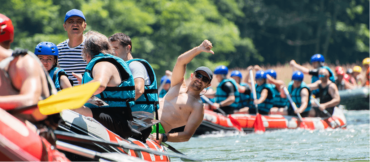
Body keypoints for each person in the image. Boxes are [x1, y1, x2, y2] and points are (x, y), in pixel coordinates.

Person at [0, 14, 68, 161]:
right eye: (42, 59)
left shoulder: (22, 63)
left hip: (34, 137)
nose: (45, 62)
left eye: (49, 59)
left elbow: (30, 100)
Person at [72, 31, 138, 139]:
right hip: (115, 116)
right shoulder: (106, 61)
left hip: (118, 120)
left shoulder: (102, 64)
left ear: (87, 53)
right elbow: (103, 102)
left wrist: (74, 93)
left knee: (70, 107)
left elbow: (100, 85)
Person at [149, 40, 213, 143]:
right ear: (192, 76)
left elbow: (187, 135)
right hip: (144, 115)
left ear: (208, 85)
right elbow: (181, 61)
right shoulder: (177, 84)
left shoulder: (198, 106)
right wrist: (198, 49)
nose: (200, 80)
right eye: (198, 75)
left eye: (204, 79)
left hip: (157, 129)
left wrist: (164, 137)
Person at [109, 33, 159, 114]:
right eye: (110, 49)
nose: (112, 52)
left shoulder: (134, 65)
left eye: (116, 48)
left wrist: (120, 107)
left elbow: (138, 90)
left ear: (128, 48)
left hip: (139, 118)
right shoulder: (121, 68)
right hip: (129, 114)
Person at [58, 9, 87, 85]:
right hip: (65, 95)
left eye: (79, 21)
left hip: (88, 95)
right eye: (71, 21)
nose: (75, 24)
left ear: (85, 26)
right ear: (65, 26)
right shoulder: (58, 50)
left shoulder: (92, 47)